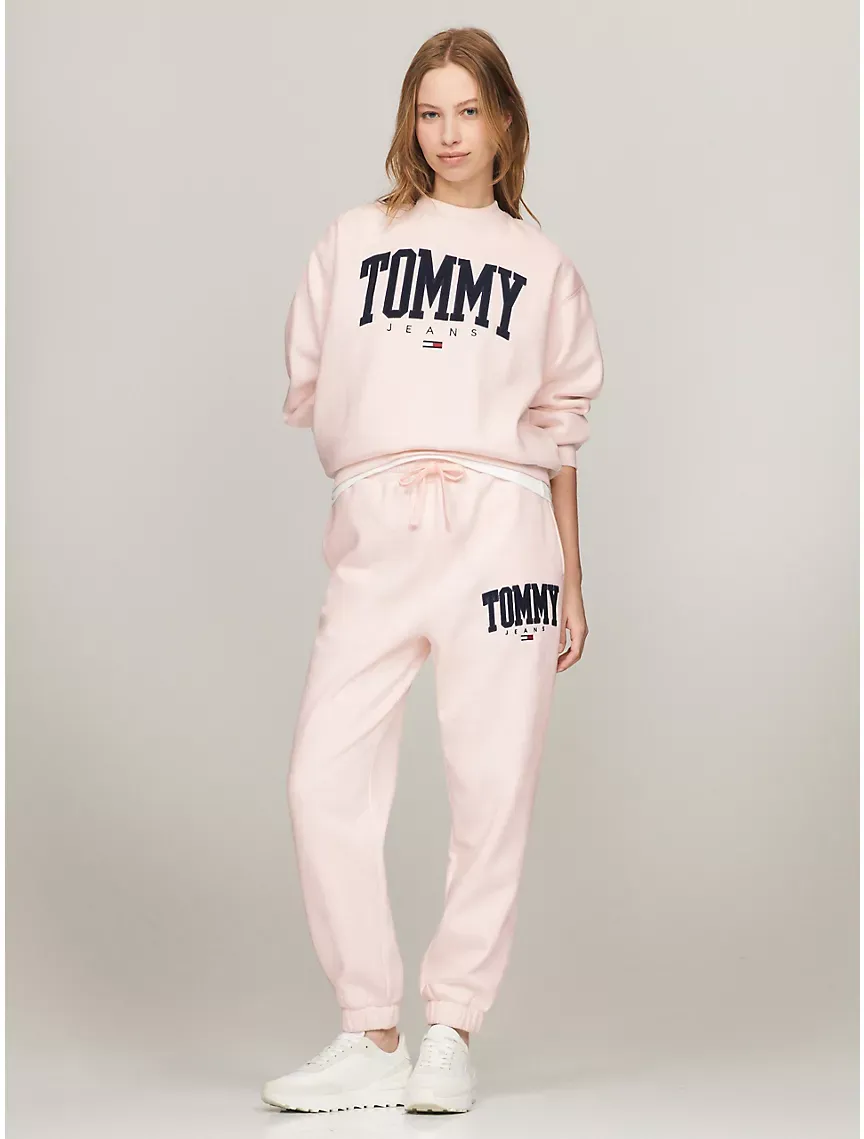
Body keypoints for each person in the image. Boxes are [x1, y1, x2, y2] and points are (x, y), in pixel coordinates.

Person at [261, 25, 604, 1116]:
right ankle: (370, 1028)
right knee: (322, 774)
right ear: (409, 123)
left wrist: (574, 578)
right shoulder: (354, 239)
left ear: (504, 122)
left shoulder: (543, 267)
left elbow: (558, 434)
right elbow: (318, 383)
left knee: (492, 784)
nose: (448, 133)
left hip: (505, 536)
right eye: (428, 111)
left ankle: (451, 1024)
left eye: (467, 110)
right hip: (378, 534)